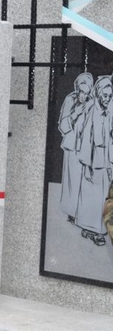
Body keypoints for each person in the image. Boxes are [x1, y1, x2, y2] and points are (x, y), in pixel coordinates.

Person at [76, 76, 113, 246]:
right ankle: (91, 229)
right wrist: (88, 164)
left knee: (102, 195)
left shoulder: (108, 112)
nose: (107, 99)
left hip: (105, 161)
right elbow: (87, 140)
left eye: (109, 96)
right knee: (92, 194)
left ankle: (97, 228)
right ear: (98, 94)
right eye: (104, 96)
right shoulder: (93, 112)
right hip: (93, 161)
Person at [58, 72, 93, 222]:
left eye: (86, 92)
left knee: (85, 180)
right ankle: (71, 211)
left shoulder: (92, 103)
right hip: (72, 146)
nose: (82, 95)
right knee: (72, 178)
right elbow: (62, 126)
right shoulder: (70, 99)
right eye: (81, 91)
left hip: (86, 146)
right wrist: (74, 114)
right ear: (77, 89)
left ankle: (83, 212)